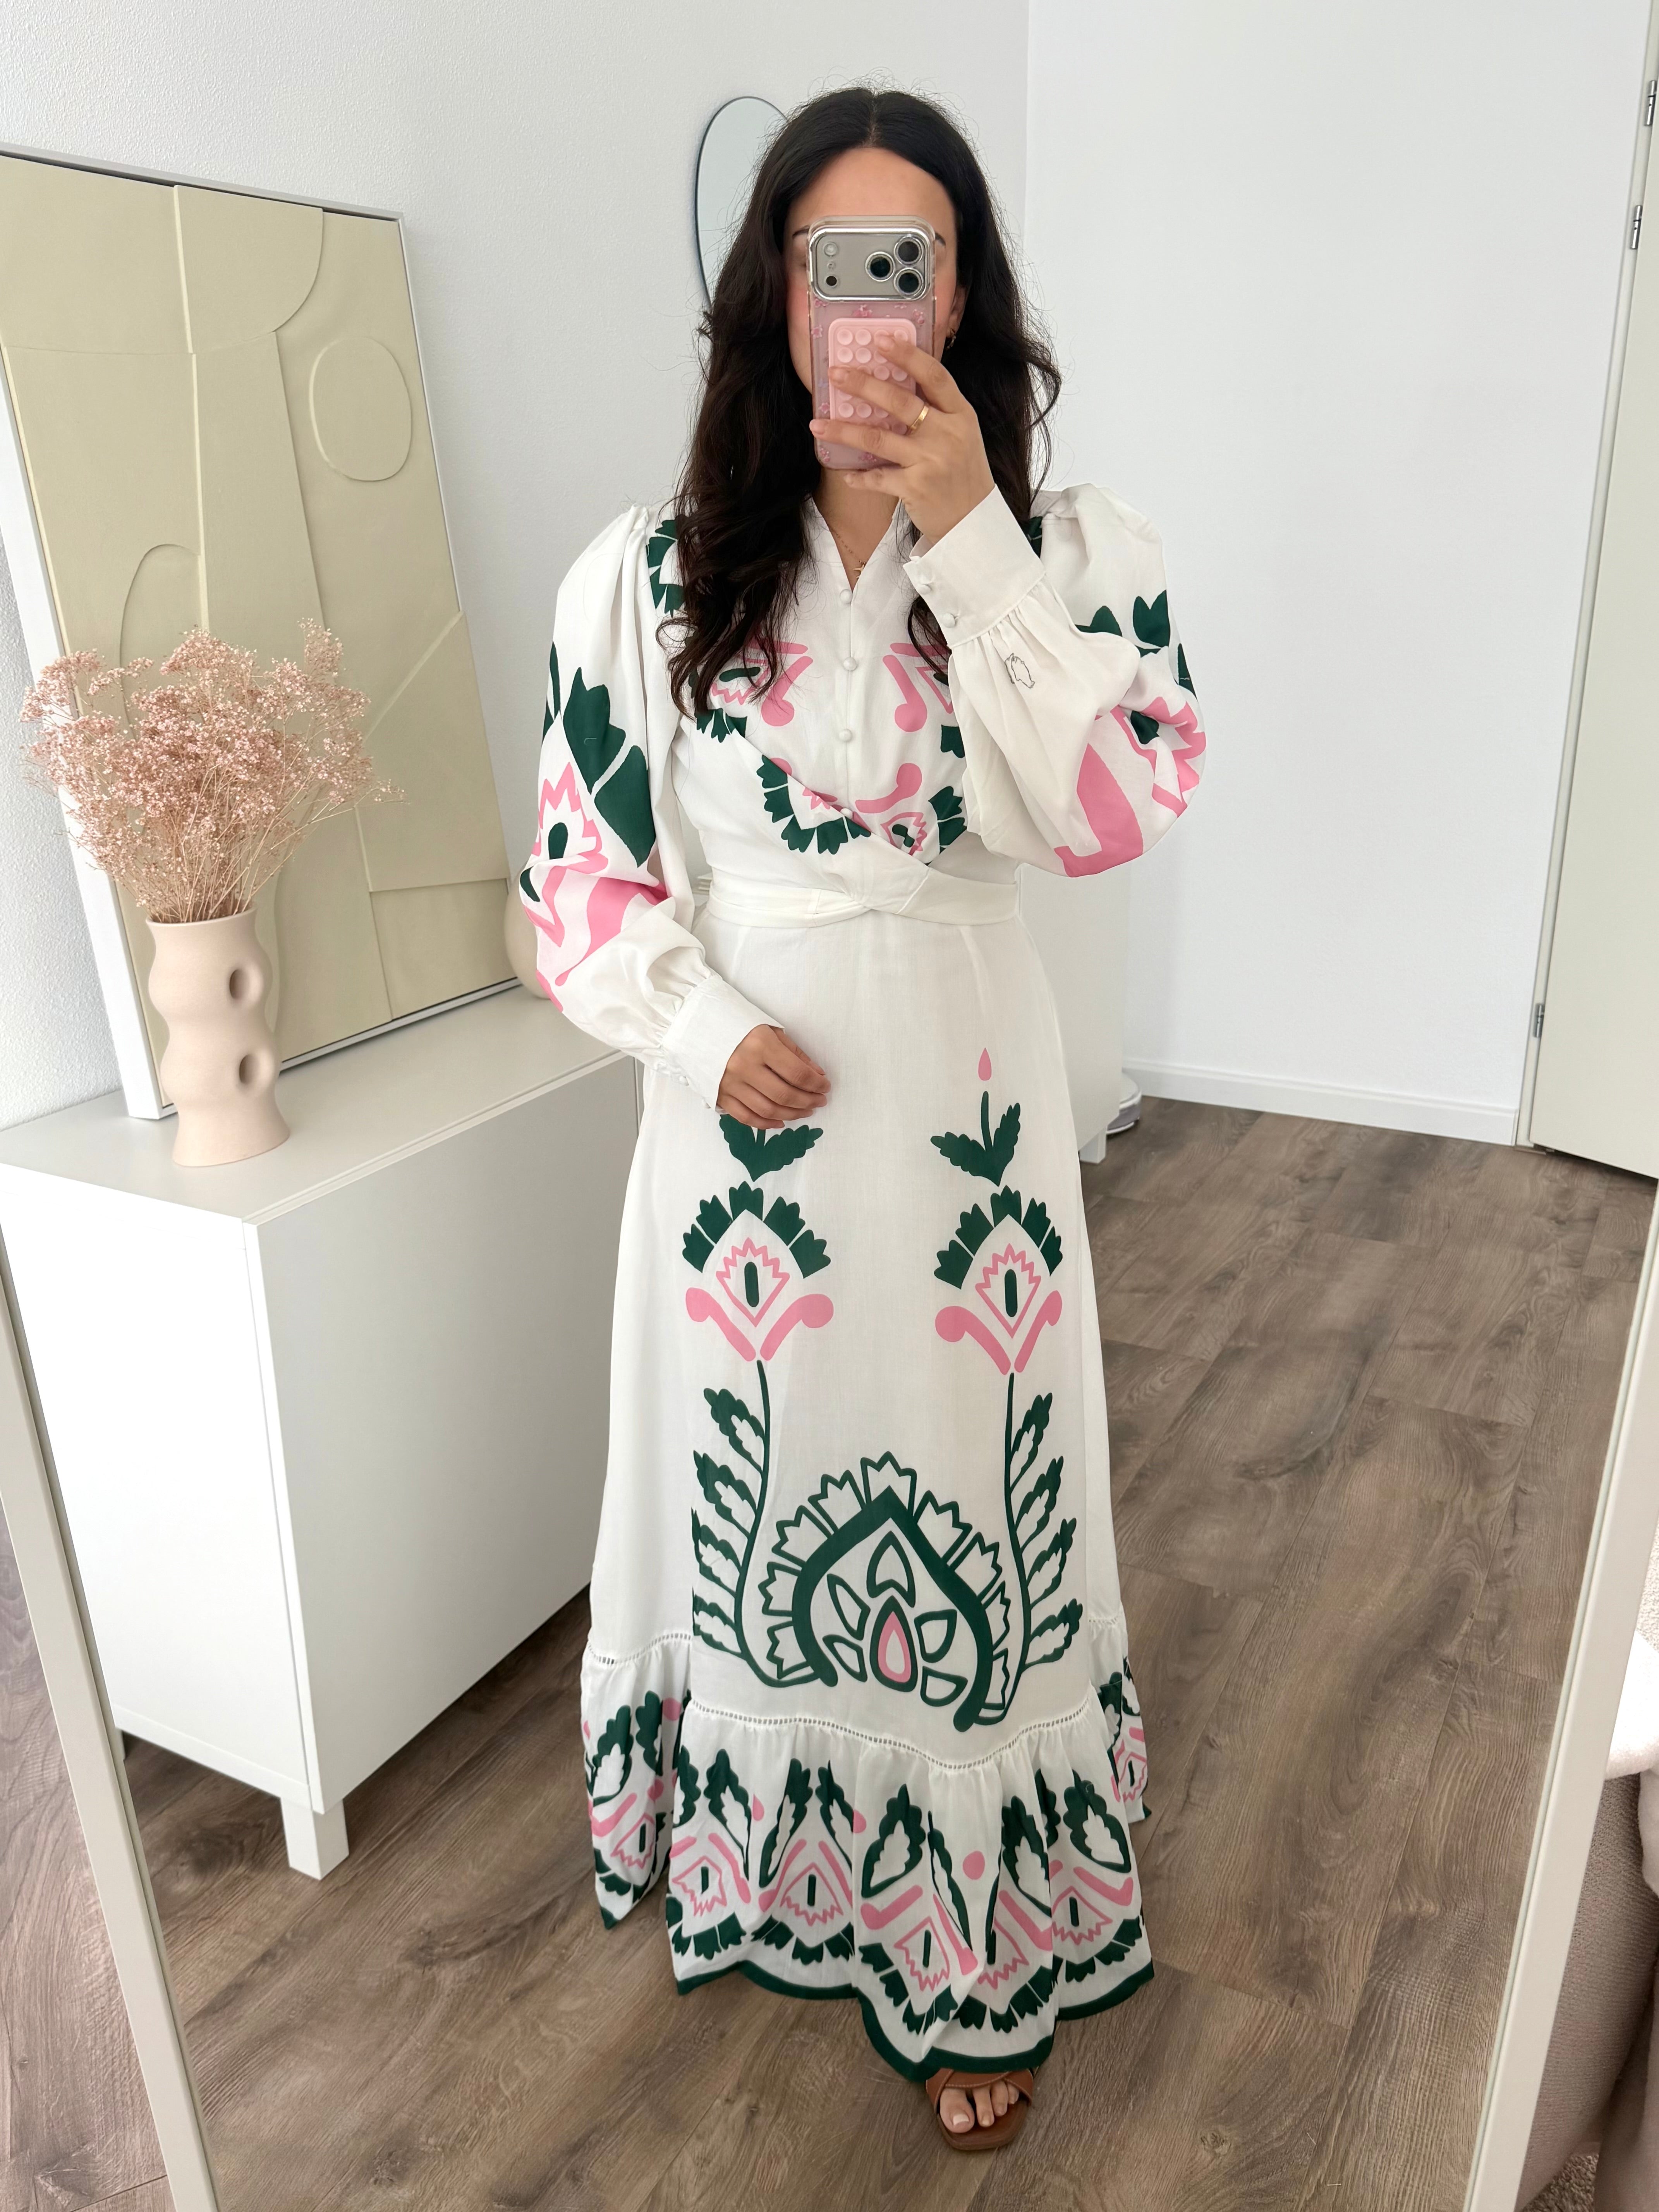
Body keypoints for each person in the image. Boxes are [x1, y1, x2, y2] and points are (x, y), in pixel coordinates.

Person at [520, 84, 1206, 2148]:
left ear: (965, 298)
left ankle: (977, 1936)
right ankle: (771, 1857)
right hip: (736, 1139)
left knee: (973, 1489)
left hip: (965, 1117)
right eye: (841, 263)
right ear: (781, 294)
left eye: (919, 261)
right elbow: (576, 878)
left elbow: (1114, 811)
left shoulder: (1075, 558)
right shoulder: (647, 576)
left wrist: (976, 536)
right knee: (755, 1481)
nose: (877, 309)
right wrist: (692, 1017)